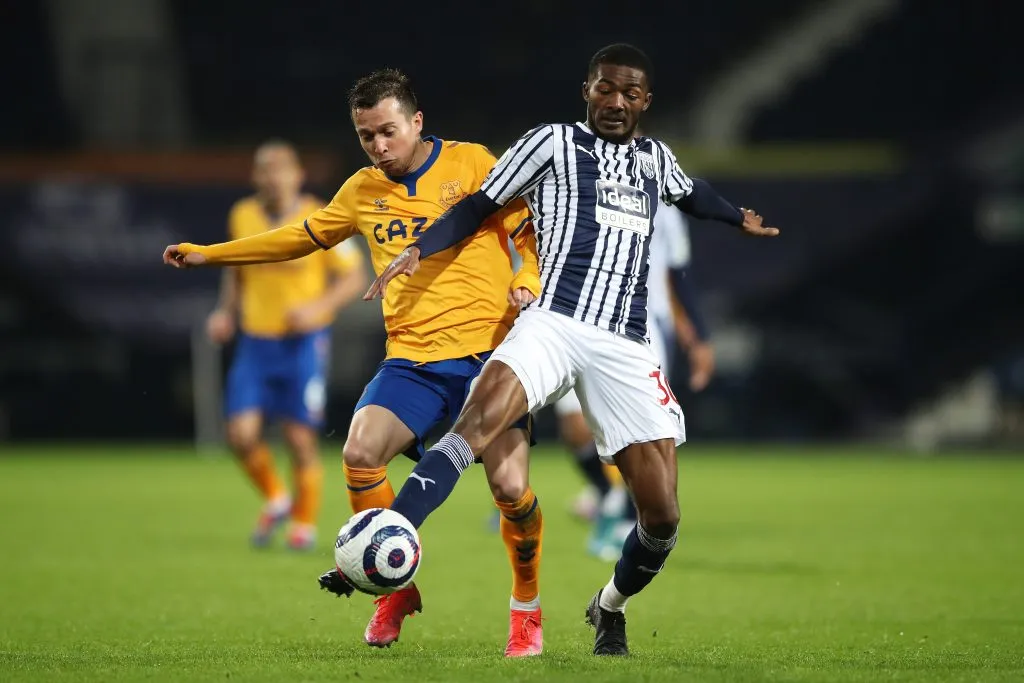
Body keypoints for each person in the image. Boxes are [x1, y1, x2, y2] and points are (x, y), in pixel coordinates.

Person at [364, 44, 779, 656]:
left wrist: (733, 216)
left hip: (625, 344)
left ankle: (608, 607)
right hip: (553, 322)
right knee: (475, 424)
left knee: (662, 518)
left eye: (629, 93)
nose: (616, 102)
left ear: (645, 101)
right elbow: (480, 206)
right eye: (605, 89)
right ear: (587, 90)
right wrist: (419, 248)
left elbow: (691, 193)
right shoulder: (551, 143)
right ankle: (389, 535)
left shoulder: (656, 160)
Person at [163, 70, 546, 657]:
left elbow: (529, 233)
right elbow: (297, 237)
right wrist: (211, 255)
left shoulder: (472, 164)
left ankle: (526, 606)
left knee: (511, 489)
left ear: (417, 123)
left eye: (388, 131)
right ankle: (394, 591)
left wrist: (524, 279)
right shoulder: (362, 191)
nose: (379, 146)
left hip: (491, 356)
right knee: (360, 453)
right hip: (413, 361)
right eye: (366, 136)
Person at [205, 140, 366, 551]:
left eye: (281, 169)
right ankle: (277, 497)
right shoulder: (242, 215)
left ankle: (303, 524)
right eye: (265, 169)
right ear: (256, 176)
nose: (273, 177)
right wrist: (225, 311)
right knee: (240, 435)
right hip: (255, 341)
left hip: (303, 344)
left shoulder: (320, 216)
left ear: (297, 175)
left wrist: (318, 309)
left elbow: (353, 275)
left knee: (298, 437)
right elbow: (234, 269)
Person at [558, 196, 717, 560]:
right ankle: (609, 494)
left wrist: (699, 335)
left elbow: (677, 268)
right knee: (574, 426)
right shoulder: (581, 177)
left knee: (639, 427)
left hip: (644, 321)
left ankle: (629, 519)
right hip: (580, 317)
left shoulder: (665, 197)